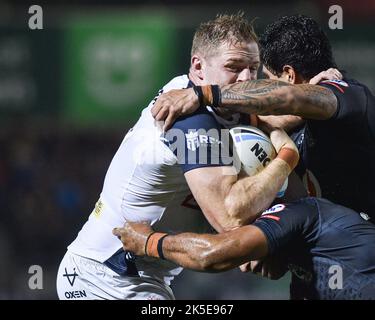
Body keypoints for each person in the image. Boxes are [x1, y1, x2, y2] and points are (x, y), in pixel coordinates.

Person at [56, 13, 299, 300]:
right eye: (234, 67)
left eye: (253, 68)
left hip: (141, 278)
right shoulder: (187, 119)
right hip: (104, 277)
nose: (245, 78)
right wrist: (286, 157)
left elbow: (286, 108)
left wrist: (324, 88)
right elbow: (230, 220)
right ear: (198, 67)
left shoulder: (217, 100)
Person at [151, 14, 375, 220]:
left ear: (289, 75)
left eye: (263, 78)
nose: (250, 83)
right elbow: (275, 114)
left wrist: (204, 94)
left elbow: (289, 98)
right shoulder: (293, 117)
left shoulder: (350, 97)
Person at [114, 197, 375, 300]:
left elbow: (214, 255)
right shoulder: (308, 269)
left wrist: (148, 242)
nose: (245, 266)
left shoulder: (302, 212)